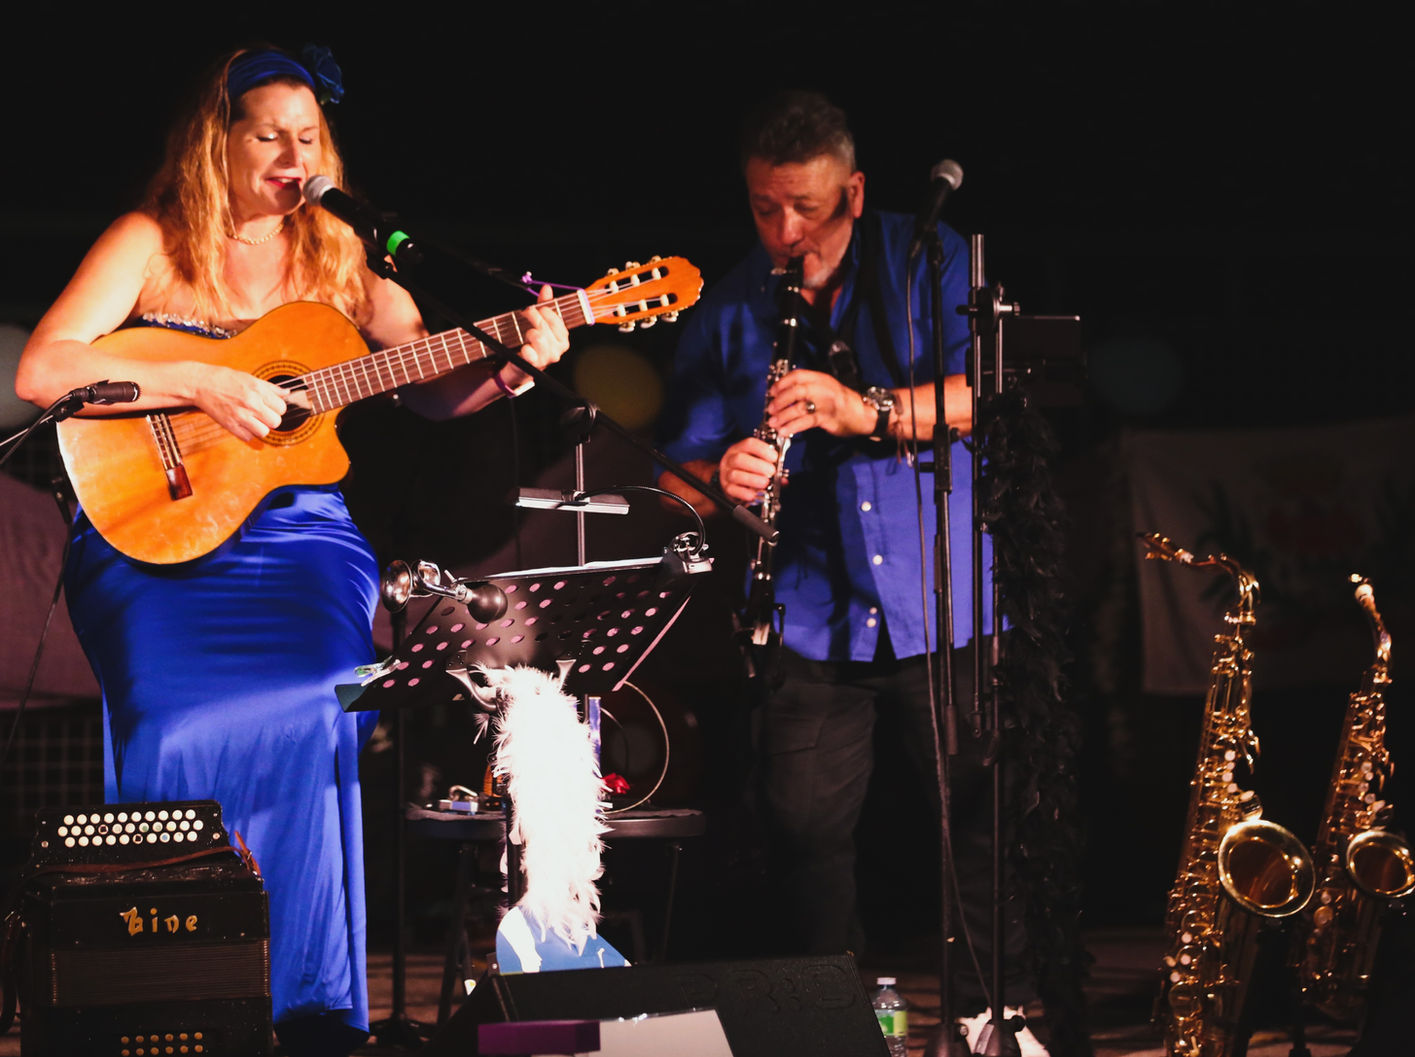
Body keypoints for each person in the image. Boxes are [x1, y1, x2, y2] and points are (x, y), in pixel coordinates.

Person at [14, 46, 568, 1057]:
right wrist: (201, 380)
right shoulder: (151, 238)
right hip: (151, 540)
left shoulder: (342, 254)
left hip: (298, 536)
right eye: (268, 134)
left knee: (324, 701)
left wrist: (519, 365)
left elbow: (432, 383)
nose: (291, 155)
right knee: (173, 719)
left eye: (307, 138)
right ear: (214, 141)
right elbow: (48, 366)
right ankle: (165, 999)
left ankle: (307, 1010)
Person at [655, 92, 1047, 1053]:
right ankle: (833, 1028)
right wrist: (722, 477)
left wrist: (861, 408)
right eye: (763, 208)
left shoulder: (934, 258)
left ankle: (1003, 1019)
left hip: (942, 600)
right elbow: (679, 470)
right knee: (799, 834)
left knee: (983, 828)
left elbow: (989, 391)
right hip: (811, 611)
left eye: (808, 209)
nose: (786, 232)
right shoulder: (733, 303)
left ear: (856, 192)